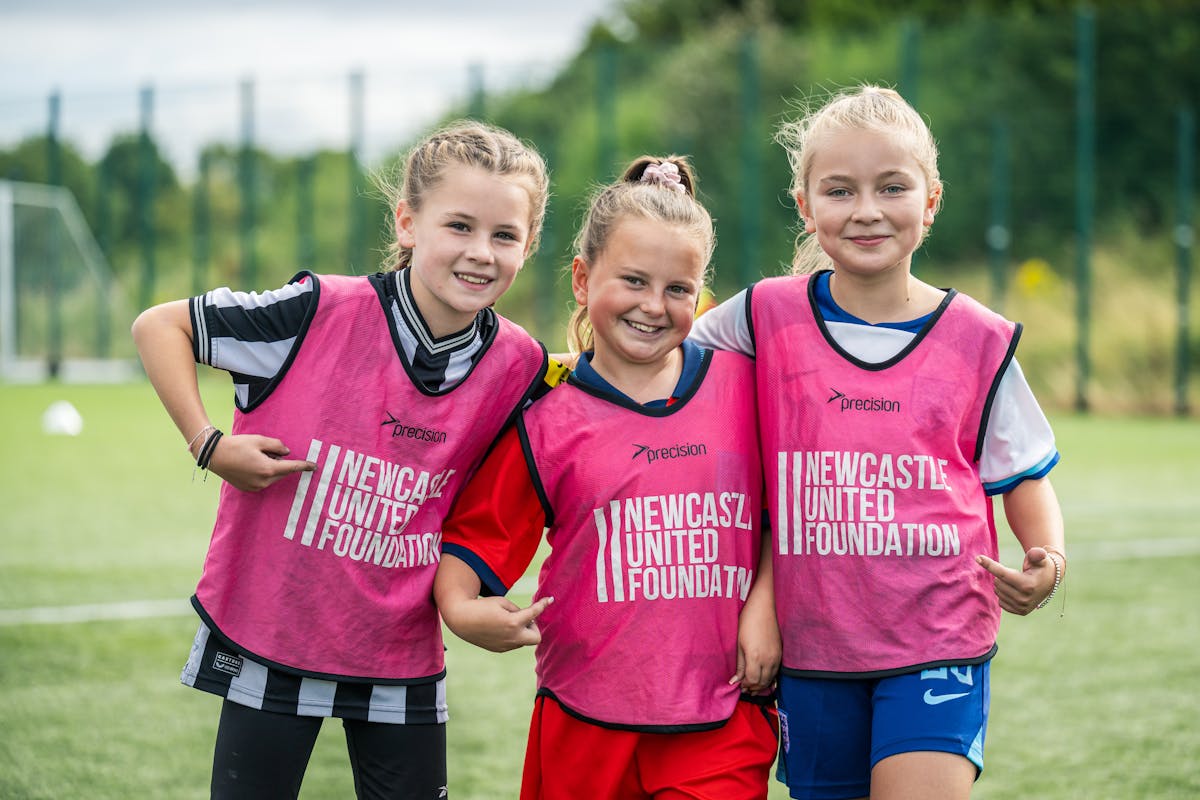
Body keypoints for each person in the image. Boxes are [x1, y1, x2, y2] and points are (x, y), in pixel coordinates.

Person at [131, 120, 555, 800]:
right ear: (408, 222)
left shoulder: (521, 362)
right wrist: (209, 445)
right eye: (459, 227)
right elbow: (159, 326)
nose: (482, 252)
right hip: (272, 628)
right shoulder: (317, 311)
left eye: (504, 236)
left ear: (528, 245)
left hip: (399, 646)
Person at [689, 85, 1067, 800]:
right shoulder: (764, 314)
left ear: (930, 200)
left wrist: (1048, 558)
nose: (866, 210)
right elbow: (661, 366)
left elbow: (1021, 472)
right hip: (812, 642)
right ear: (805, 205)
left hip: (938, 632)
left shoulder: (978, 340)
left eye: (892, 187)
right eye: (840, 189)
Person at [434, 156, 781, 800]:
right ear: (582, 278)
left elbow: (784, 512)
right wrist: (462, 611)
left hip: (722, 718)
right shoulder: (545, 416)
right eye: (633, 281)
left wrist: (764, 603)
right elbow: (475, 549)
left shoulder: (745, 386)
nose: (655, 306)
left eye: (679, 289)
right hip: (582, 714)